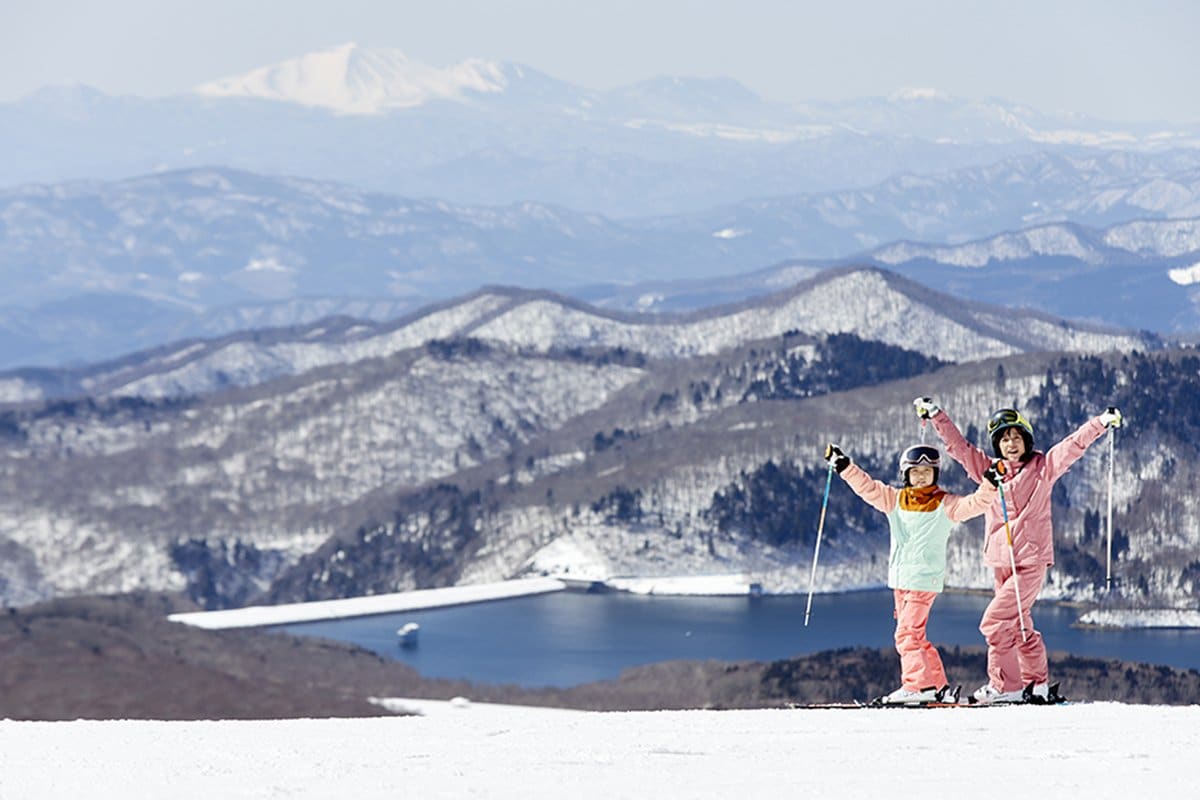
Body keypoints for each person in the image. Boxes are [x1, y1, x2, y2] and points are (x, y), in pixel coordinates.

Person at [914, 397, 1124, 704]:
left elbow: (1073, 445)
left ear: (1026, 440)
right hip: (1001, 561)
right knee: (1019, 625)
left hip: (1030, 561)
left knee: (994, 622)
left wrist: (1101, 423)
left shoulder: (1042, 469)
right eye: (1003, 439)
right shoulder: (989, 470)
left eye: (1016, 437)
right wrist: (936, 415)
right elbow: (959, 448)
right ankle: (1037, 684)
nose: (1010, 444)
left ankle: (1005, 686)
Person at [823, 441, 1002, 705]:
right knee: (916, 636)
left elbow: (975, 504)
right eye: (915, 472)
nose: (921, 477)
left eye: (927, 472)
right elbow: (867, 487)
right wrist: (844, 466)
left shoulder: (945, 504)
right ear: (905, 474)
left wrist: (990, 484)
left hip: (924, 579)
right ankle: (937, 686)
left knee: (906, 635)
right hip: (901, 581)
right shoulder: (895, 500)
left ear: (935, 474)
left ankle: (917, 686)